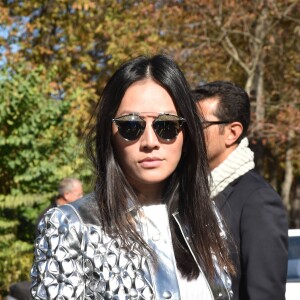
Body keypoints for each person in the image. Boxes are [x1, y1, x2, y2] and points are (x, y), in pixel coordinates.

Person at [30, 55, 234, 300]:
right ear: (110, 134)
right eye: (131, 126)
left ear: (186, 133)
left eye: (167, 125)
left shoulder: (206, 217)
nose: (150, 142)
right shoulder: (71, 226)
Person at [193, 81, 288, 300]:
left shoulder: (258, 201)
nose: (187, 133)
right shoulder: (189, 193)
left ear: (232, 132)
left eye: (197, 124)